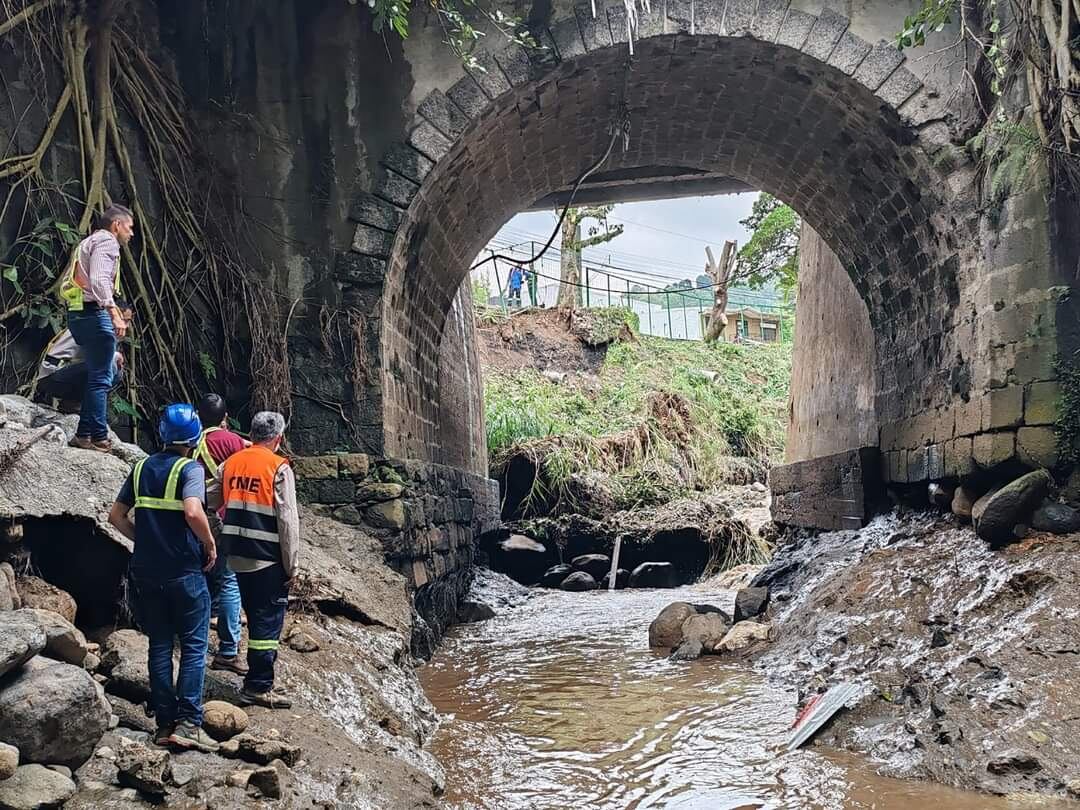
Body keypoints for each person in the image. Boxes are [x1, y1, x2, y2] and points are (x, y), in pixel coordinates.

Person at [107, 403, 219, 753]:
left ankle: (164, 724)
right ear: (195, 438)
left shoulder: (140, 468)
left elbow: (116, 516)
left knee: (159, 644)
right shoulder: (190, 469)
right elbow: (192, 510)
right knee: (193, 646)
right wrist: (209, 541)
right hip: (184, 571)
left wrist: (144, 539)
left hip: (146, 571)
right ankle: (189, 724)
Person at [207, 411, 299, 709]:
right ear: (278, 438)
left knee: (253, 614)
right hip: (267, 557)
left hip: (236, 556)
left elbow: (208, 499)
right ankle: (258, 686)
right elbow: (287, 522)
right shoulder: (279, 468)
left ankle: (256, 676)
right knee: (266, 625)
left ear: (252, 432)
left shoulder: (231, 463)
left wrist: (217, 533)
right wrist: (292, 565)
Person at [66, 204, 135, 452]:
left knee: (98, 374)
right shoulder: (107, 242)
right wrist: (114, 313)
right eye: (129, 227)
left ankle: (83, 435)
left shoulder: (91, 240)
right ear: (116, 225)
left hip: (78, 313)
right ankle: (99, 437)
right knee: (101, 378)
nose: (131, 233)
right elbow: (98, 280)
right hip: (94, 313)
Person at [195, 393, 249, 675]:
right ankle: (228, 650)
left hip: (192, 516)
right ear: (225, 418)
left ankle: (198, 645)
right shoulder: (232, 441)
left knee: (199, 577)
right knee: (229, 580)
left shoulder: (189, 440)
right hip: (223, 518)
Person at [33, 298, 133, 410]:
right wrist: (116, 355)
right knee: (110, 364)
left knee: (118, 372)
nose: (126, 325)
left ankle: (72, 402)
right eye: (124, 320)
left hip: (66, 373)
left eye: (128, 321)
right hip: (50, 377)